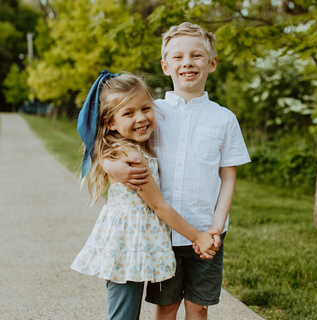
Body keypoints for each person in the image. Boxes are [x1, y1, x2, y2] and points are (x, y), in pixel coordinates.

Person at [101, 22, 251, 320]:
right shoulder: (151, 112)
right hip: (162, 234)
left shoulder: (224, 119)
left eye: (197, 55)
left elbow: (228, 177)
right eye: (178, 57)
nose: (188, 63)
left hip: (207, 232)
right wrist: (110, 165)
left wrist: (215, 229)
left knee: (198, 308)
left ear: (212, 62)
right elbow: (112, 139)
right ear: (165, 65)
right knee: (166, 307)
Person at [70, 70, 221, 320]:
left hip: (132, 241)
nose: (140, 118)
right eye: (128, 113)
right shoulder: (132, 157)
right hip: (129, 243)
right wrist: (198, 236)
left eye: (145, 109)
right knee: (124, 315)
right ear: (110, 122)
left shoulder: (124, 149)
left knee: (124, 312)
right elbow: (159, 206)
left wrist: (106, 163)